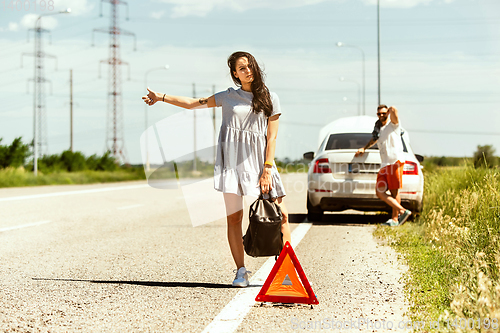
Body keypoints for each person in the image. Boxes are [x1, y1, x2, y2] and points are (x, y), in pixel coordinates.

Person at [142, 51, 291, 287]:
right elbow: (192, 103)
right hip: (231, 163)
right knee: (234, 218)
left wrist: (267, 169)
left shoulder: (271, 97)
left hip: (259, 163)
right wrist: (161, 97)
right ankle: (241, 271)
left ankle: (285, 271)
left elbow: (271, 138)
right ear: (235, 74)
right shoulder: (227, 97)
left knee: (281, 216)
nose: (248, 70)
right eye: (242, 68)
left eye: (250, 66)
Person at [355, 104, 412, 227]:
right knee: (379, 192)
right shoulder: (378, 129)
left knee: (394, 192)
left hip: (395, 161)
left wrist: (392, 109)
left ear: (387, 114)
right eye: (379, 114)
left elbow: (395, 113)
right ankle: (403, 211)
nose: (381, 115)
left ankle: (395, 219)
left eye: (383, 113)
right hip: (384, 164)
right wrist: (364, 148)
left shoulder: (393, 125)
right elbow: (373, 140)